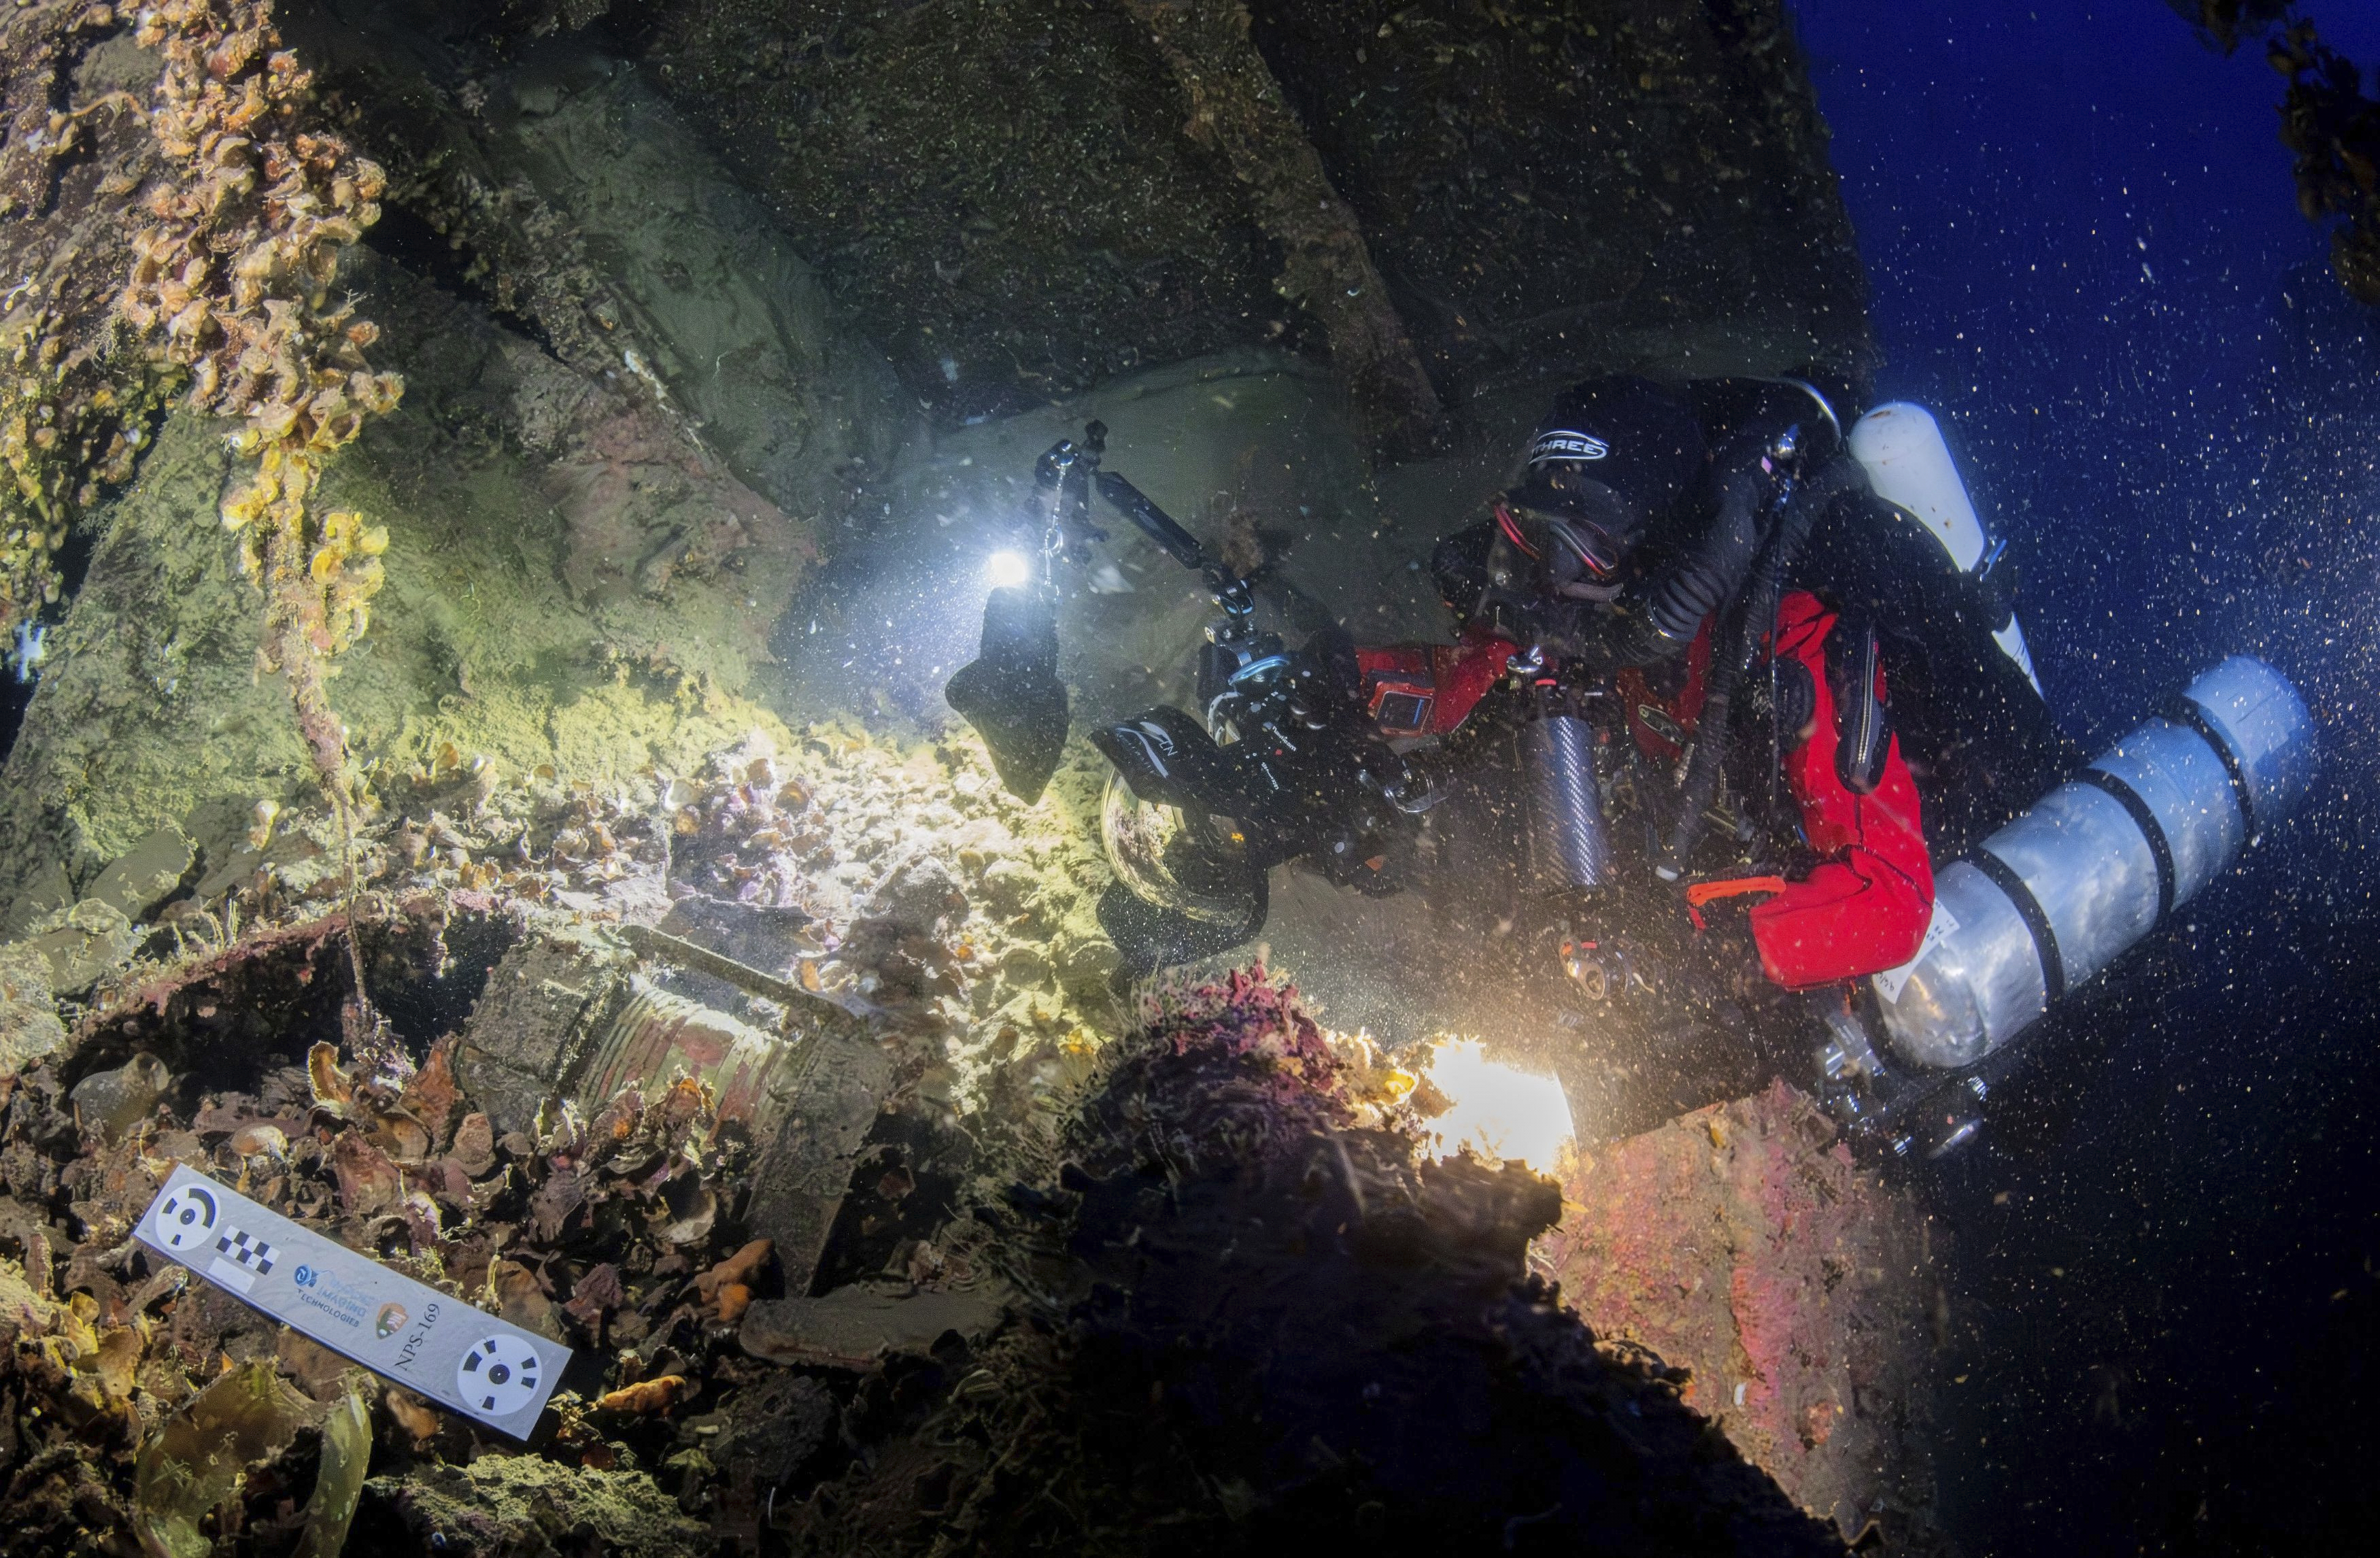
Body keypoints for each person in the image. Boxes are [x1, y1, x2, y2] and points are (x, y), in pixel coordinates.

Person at [1343, 374, 2075, 1003]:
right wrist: (1337, 682)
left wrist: (1703, 947)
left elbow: (1889, 901)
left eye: (1582, 550)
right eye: (1526, 532)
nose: (1545, 579)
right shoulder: (1574, 595)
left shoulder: (1793, 630)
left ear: (1663, 553)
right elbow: (1462, 680)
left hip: (1845, 893)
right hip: (1680, 846)